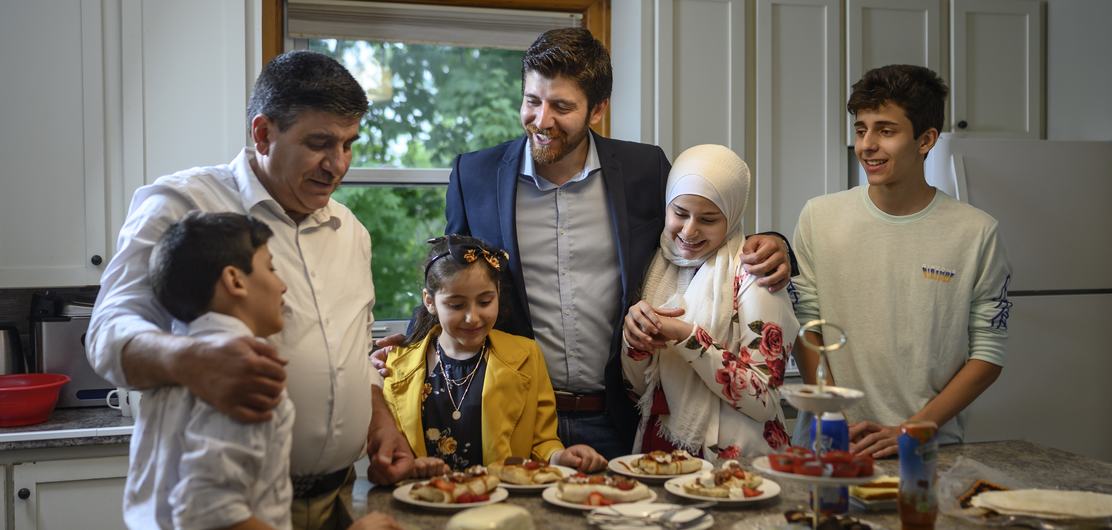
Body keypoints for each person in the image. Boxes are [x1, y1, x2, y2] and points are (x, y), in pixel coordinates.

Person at [372, 28, 793, 458]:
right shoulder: (475, 175)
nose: (542, 120)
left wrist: (776, 243)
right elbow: (451, 272)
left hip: (620, 416)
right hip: (517, 414)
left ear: (598, 110)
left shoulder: (643, 169)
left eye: (562, 106)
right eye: (532, 101)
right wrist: (408, 349)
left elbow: (704, 228)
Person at [87, 50, 408, 530]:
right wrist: (188, 361)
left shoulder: (352, 230)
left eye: (348, 143)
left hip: (338, 496)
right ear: (263, 133)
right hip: (233, 505)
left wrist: (379, 415)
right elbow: (107, 333)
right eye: (319, 143)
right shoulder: (184, 204)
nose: (337, 165)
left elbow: (354, 348)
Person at [790, 64, 1012, 458]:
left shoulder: (976, 233)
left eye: (886, 130)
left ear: (926, 140)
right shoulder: (818, 218)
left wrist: (912, 429)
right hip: (829, 443)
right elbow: (806, 326)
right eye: (861, 129)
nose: (867, 145)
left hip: (927, 448)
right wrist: (833, 417)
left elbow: (988, 354)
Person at [130, 211, 395, 530]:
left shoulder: (172, 370)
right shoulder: (244, 375)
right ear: (235, 280)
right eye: (270, 268)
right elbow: (210, 513)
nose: (282, 286)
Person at [621, 144, 801, 461]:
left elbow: (765, 400)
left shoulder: (755, 274)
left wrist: (688, 337)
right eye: (679, 213)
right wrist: (634, 342)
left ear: (731, 217)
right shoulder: (654, 267)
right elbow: (638, 389)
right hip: (660, 450)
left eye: (708, 219)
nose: (689, 230)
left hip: (735, 462)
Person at [382, 235, 607, 473]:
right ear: (429, 301)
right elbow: (392, 449)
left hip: (501, 500)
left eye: (485, 301)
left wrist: (559, 457)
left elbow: (542, 442)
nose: (473, 317)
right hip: (424, 499)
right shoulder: (396, 366)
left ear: (497, 292)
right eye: (456, 305)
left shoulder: (526, 355)